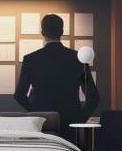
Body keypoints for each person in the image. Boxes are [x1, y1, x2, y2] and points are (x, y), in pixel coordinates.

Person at [14, 14, 99, 142]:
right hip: (70, 123)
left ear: (42, 32)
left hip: (41, 123)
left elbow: (19, 95)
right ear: (62, 32)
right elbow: (93, 97)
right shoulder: (78, 60)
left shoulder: (31, 59)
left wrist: (36, 113)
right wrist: (78, 118)